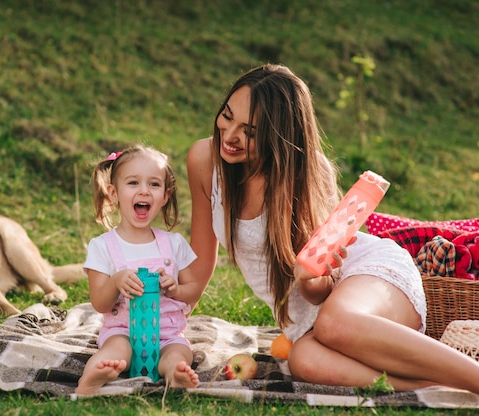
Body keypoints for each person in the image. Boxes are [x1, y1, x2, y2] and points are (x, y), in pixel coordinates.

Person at [184, 63, 479, 393]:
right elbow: (199, 262)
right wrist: (171, 323)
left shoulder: (306, 177)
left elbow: (321, 287)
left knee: (334, 322)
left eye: (250, 132)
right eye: (227, 116)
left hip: (365, 280)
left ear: (279, 136)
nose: (230, 135)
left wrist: (309, 276)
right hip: (310, 323)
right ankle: (437, 381)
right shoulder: (204, 159)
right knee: (303, 363)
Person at [76, 145, 200, 395]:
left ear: (165, 196)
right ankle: (93, 376)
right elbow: (100, 303)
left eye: (154, 184)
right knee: (115, 351)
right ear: (113, 193)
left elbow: (194, 290)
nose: (144, 190)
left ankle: (175, 373)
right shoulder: (103, 246)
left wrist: (175, 289)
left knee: (179, 352)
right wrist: (115, 281)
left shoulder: (174, 244)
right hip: (122, 333)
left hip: (167, 335)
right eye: (133, 183)